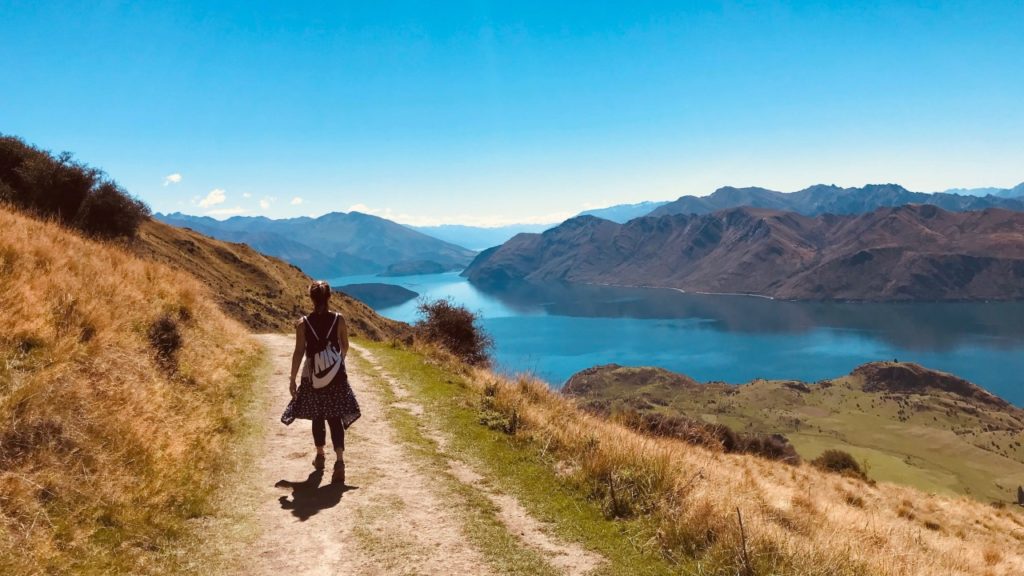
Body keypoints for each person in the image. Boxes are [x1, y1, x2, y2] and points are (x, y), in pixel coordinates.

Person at [289, 281, 361, 484]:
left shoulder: (303, 323)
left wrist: (293, 378)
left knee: (317, 416)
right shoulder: (339, 319)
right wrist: (335, 363)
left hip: (313, 378)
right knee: (335, 417)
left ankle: (320, 456)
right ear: (329, 297)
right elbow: (345, 346)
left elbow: (299, 352)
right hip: (336, 377)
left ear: (311, 298)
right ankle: (339, 462)